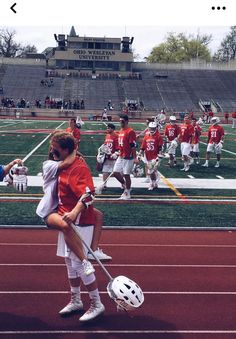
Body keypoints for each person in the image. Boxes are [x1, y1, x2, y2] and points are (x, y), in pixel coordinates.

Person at [37, 132, 105, 321]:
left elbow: (89, 195)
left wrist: (75, 212)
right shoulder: (60, 166)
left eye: (56, 149)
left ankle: (96, 303)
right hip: (66, 219)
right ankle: (76, 299)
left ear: (66, 150)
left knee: (78, 263)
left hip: (79, 221)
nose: (52, 151)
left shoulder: (78, 168)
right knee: (69, 263)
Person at [113, 114, 137, 200]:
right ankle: (125, 185)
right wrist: (118, 151)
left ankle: (127, 192)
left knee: (127, 175)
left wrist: (135, 157)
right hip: (121, 155)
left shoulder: (130, 131)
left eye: (122, 121)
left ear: (127, 121)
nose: (121, 123)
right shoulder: (121, 130)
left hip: (128, 156)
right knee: (115, 172)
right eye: (120, 121)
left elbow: (133, 145)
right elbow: (122, 144)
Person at [139, 122, 163, 190]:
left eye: (153, 128)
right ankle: (154, 183)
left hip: (154, 156)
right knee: (152, 170)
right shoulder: (146, 136)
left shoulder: (158, 136)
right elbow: (143, 146)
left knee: (151, 171)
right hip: (147, 155)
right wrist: (140, 153)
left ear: (156, 128)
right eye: (151, 128)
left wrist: (159, 157)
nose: (152, 130)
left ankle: (151, 183)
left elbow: (160, 147)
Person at [101, 123, 119, 189]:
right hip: (107, 156)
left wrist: (115, 154)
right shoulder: (107, 135)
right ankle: (104, 184)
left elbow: (119, 147)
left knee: (118, 172)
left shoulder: (116, 136)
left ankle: (123, 184)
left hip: (114, 156)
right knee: (105, 170)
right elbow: (105, 145)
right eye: (107, 128)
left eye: (109, 128)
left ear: (113, 129)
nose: (107, 129)